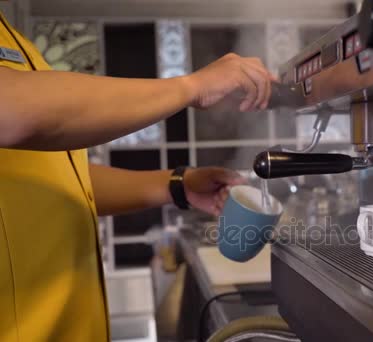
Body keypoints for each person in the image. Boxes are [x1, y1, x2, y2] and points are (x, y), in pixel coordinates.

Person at [0, 11, 275, 341]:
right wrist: (193, 85)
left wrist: (178, 186)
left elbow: (55, 178)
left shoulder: (15, 39)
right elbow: (12, 110)